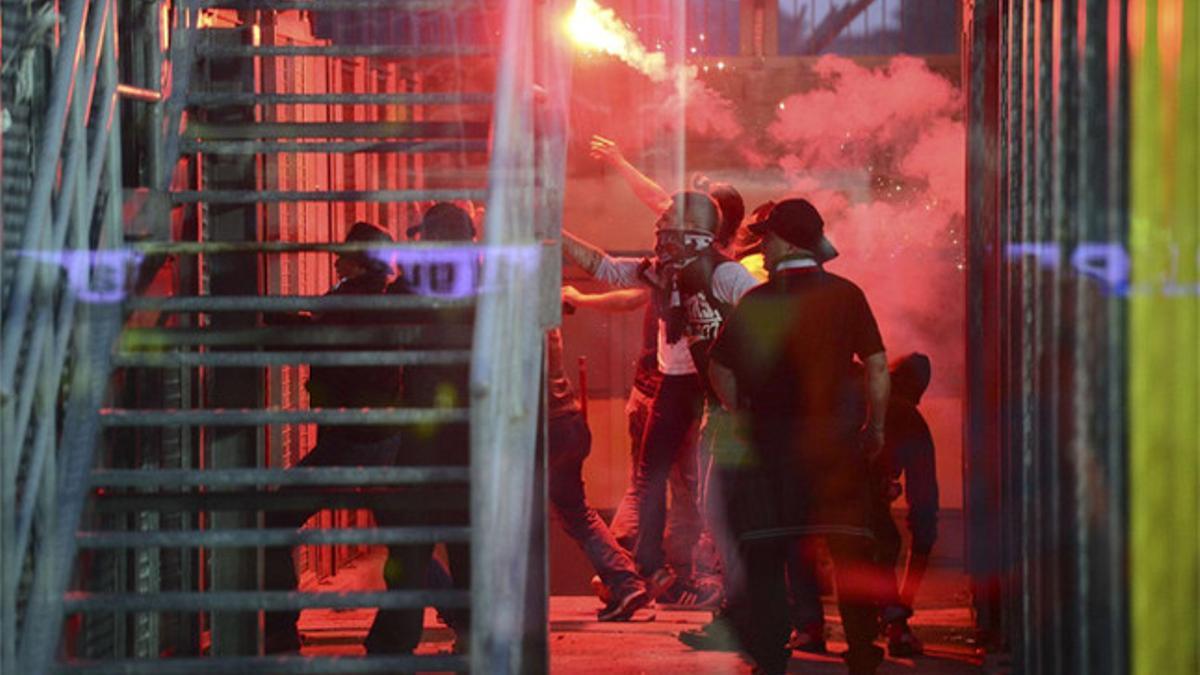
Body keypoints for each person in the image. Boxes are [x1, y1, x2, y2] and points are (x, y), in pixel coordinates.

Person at [707, 198, 890, 675]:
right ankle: (865, 654)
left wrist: (740, 413)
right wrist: (876, 428)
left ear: (785, 240)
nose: (762, 249)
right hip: (835, 451)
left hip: (773, 456)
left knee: (767, 554)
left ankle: (771, 657)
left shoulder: (761, 303)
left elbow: (721, 367)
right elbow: (876, 366)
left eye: (766, 238)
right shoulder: (847, 296)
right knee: (851, 553)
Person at [562, 191, 760, 600]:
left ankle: (720, 581)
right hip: (673, 381)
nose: (660, 223)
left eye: (669, 215)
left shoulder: (726, 273)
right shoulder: (662, 272)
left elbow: (761, 309)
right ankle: (650, 564)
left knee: (707, 488)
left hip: (714, 388)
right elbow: (609, 269)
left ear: (695, 228)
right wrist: (557, 235)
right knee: (650, 476)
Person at [260, 221, 405, 654]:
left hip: (350, 441)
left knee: (276, 519)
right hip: (384, 437)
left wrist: (260, 316)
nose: (335, 258)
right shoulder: (386, 300)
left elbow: (310, 336)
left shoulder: (347, 301)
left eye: (344, 253)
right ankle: (461, 617)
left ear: (359, 261)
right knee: (403, 538)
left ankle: (281, 631)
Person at [377, 202, 478, 653]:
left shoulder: (412, 286)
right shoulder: (485, 284)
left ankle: (393, 643)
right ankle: (475, 635)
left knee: (411, 543)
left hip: (422, 432)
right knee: (467, 543)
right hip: (471, 431)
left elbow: (378, 324)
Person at [560, 287, 702, 603]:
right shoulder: (694, 274)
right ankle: (673, 581)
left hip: (643, 393)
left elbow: (628, 299)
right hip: (673, 398)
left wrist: (582, 299)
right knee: (686, 492)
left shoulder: (661, 273)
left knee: (641, 486)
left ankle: (618, 573)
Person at [545, 325, 654, 621]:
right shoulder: (539, 302)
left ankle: (480, 606)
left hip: (540, 427)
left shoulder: (503, 307)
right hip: (567, 419)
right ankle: (626, 584)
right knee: (577, 513)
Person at [874, 352, 939, 656]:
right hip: (861, 499)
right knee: (884, 541)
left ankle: (809, 625)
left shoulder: (861, 393)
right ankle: (895, 626)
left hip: (825, 494)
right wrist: (905, 600)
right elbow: (924, 500)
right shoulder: (911, 421)